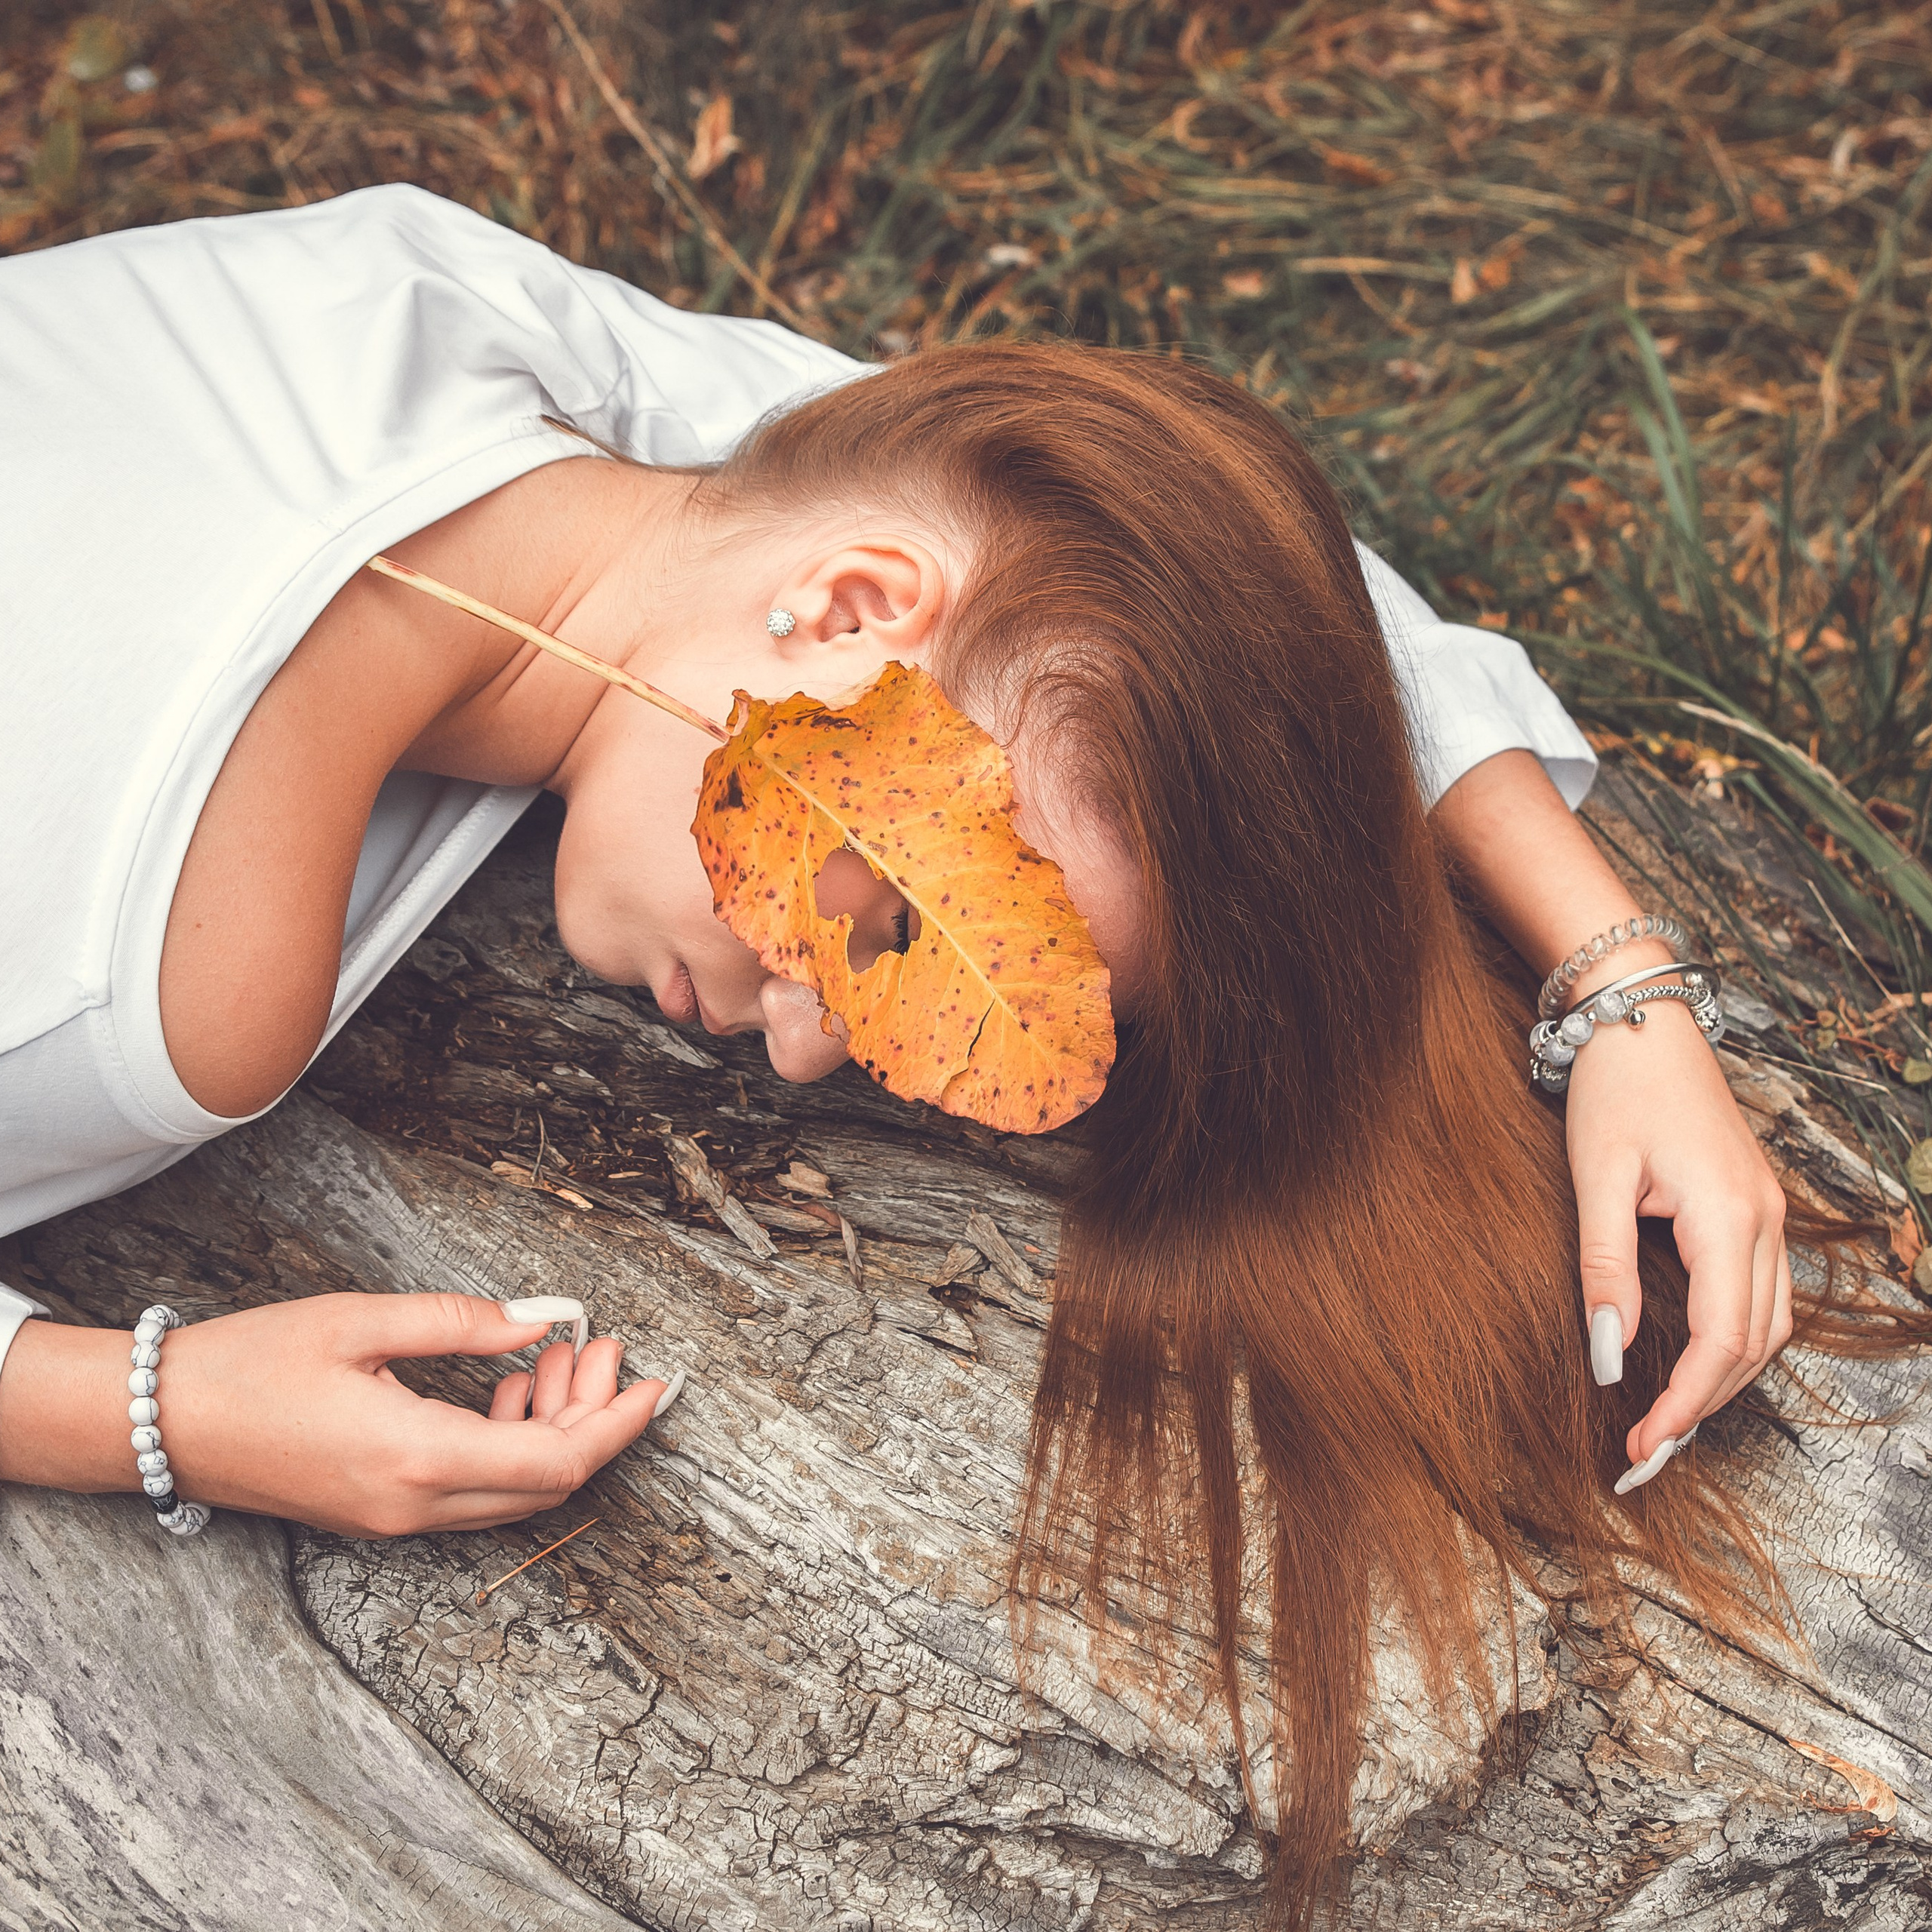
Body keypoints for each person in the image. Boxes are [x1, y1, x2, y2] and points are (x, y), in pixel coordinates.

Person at [2, 184, 1912, 1918]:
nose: (826, 1048)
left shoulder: (485, 345)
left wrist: (1615, 985)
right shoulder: (152, 957)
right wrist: (149, 1412)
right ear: (845, 613)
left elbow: (1144, 533)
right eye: (903, 924)